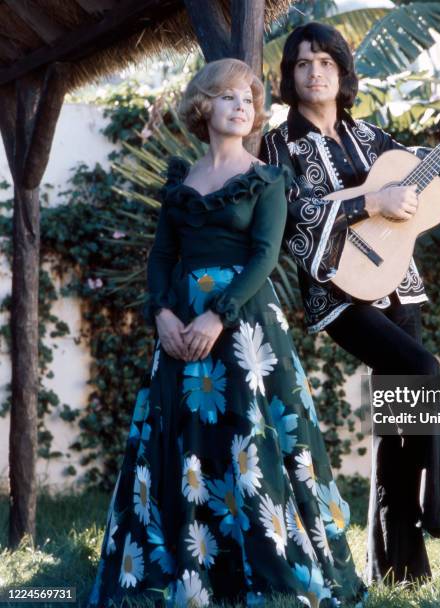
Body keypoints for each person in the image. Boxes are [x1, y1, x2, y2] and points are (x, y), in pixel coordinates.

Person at [88, 58, 367, 608]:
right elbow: (162, 257)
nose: (243, 107)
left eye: (249, 99)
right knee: (182, 441)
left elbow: (265, 255)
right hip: (179, 330)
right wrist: (163, 315)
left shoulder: (265, 178)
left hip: (244, 330)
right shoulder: (181, 183)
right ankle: (183, 571)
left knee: (250, 440)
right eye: (230, 97)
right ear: (204, 106)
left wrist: (218, 314)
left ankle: (266, 572)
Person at [260, 22, 440, 586]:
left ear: (342, 72)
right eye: (302, 64)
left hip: (401, 283)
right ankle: (438, 506)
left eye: (325, 61)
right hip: (339, 294)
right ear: (290, 77)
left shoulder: (374, 136)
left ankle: (399, 569)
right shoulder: (279, 145)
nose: (315, 71)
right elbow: (290, 217)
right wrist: (371, 200)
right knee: (423, 370)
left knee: (398, 424)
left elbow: (433, 176)